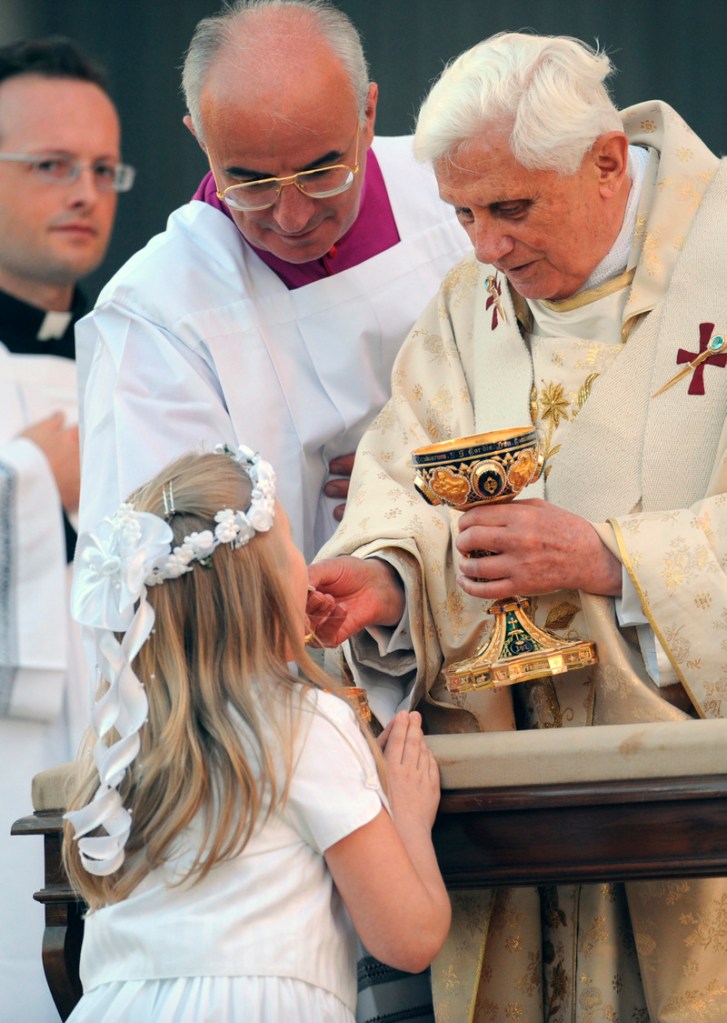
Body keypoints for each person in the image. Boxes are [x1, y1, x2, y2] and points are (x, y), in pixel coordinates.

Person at [309, 32, 727, 1022]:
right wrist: (387, 578)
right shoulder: (468, 309)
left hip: (691, 812)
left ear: (606, 164)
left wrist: (614, 561)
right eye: (461, 213)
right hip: (510, 813)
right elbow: (401, 475)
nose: (484, 247)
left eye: (510, 209)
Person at [62, 444, 450, 1022]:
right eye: (291, 543)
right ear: (265, 587)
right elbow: (409, 938)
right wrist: (410, 820)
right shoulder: (307, 724)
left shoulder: (119, 739)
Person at [75, 0, 470, 564]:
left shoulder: (460, 194)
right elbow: (157, 562)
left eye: (321, 171)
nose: (292, 217)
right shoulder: (158, 312)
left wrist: (441, 475)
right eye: (250, 181)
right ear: (201, 139)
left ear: (369, 114)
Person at [0, 37, 133, 1022]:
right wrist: (31, 480)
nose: (84, 191)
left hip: (123, 771)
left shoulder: (142, 354)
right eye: (49, 165)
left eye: (102, 168)